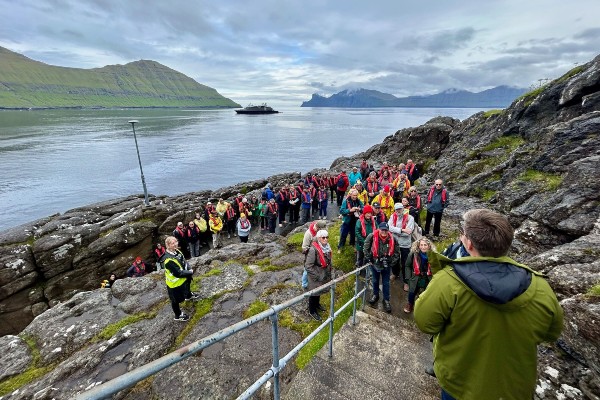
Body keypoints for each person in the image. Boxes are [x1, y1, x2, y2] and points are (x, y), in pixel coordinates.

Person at [414, 209, 563, 400]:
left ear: (468, 243)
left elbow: (425, 322)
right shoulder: (540, 286)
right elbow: (552, 332)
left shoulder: (448, 281)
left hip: (460, 384)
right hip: (514, 389)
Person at [363, 222, 399, 313]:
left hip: (387, 265)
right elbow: (365, 248)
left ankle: (386, 300)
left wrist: (391, 262)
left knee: (386, 283)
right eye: (382, 229)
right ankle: (375, 295)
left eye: (386, 230)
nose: (384, 232)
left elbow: (397, 252)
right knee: (375, 280)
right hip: (375, 263)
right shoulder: (371, 236)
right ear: (379, 229)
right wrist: (370, 259)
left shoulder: (393, 238)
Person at [163, 236, 199, 322]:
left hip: (184, 279)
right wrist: (190, 272)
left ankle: (188, 295)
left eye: (176, 241)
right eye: (173, 243)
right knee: (175, 301)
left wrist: (188, 268)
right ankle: (178, 315)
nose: (176, 244)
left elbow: (184, 261)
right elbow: (178, 273)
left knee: (187, 286)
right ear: (168, 245)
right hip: (174, 284)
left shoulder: (177, 251)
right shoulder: (168, 260)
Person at [305, 229, 333, 321]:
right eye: (323, 237)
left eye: (327, 237)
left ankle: (317, 305)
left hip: (323, 274)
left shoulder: (327, 247)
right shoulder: (313, 249)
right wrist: (316, 276)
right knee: (313, 293)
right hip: (316, 276)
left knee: (319, 292)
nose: (325, 239)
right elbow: (308, 266)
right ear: (318, 238)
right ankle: (312, 311)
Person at [403, 238, 434, 313]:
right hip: (415, 277)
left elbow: (436, 267)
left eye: (425, 245)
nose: (423, 247)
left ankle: (422, 306)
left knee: (425, 293)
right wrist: (408, 278)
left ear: (429, 246)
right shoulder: (413, 254)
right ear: (418, 246)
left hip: (427, 278)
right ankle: (410, 304)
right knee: (412, 292)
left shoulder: (433, 256)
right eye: (421, 245)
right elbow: (407, 265)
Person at [388, 203, 414, 289]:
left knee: (405, 263)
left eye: (400, 209)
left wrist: (395, 231)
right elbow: (388, 227)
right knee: (394, 259)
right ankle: (395, 273)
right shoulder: (392, 217)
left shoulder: (410, 218)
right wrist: (402, 230)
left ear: (403, 209)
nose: (398, 211)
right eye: (396, 209)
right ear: (394, 210)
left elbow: (408, 233)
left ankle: (406, 281)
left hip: (405, 244)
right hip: (395, 243)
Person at [301, 219, 327, 289]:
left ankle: (316, 281)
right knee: (307, 269)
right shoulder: (308, 234)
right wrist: (311, 251)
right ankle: (304, 284)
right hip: (311, 254)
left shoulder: (320, 231)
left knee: (317, 268)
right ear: (318, 227)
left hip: (319, 253)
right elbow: (304, 247)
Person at [337, 188, 363, 253]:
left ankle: (352, 244)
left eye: (356, 195)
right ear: (350, 194)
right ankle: (340, 247)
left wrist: (359, 209)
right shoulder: (346, 201)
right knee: (344, 234)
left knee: (353, 233)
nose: (355, 197)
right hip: (347, 220)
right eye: (354, 195)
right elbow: (341, 211)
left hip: (355, 220)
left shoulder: (358, 201)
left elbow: (363, 208)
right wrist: (350, 210)